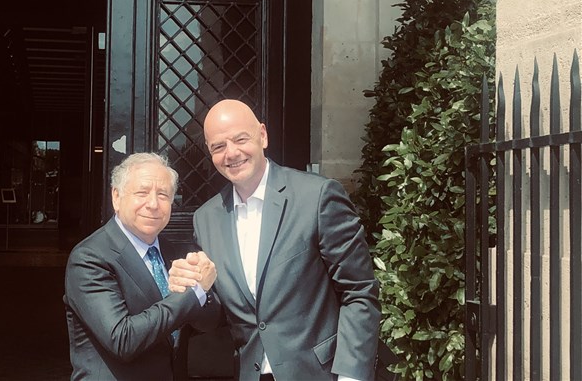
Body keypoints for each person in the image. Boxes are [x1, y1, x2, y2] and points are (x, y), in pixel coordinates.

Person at [169, 99, 380, 381]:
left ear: (263, 136)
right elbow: (214, 319)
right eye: (218, 146)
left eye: (240, 139)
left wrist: (351, 376)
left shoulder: (316, 196)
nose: (231, 153)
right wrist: (194, 291)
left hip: (320, 373)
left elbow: (359, 292)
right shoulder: (206, 219)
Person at [64, 152, 221, 380]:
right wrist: (194, 292)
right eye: (142, 193)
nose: (153, 204)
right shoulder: (89, 258)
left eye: (163, 194)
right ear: (116, 197)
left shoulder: (172, 252)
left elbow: (208, 323)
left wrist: (204, 291)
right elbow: (123, 339)